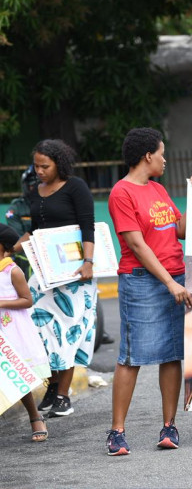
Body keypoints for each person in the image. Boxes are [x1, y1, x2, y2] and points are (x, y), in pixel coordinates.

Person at [105, 127, 192, 456]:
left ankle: (169, 426)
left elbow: (180, 230)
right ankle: (117, 432)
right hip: (144, 281)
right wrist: (169, 282)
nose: (165, 159)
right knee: (131, 357)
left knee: (172, 354)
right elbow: (136, 244)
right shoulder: (122, 192)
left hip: (173, 277)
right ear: (148, 155)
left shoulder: (159, 190)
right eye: (161, 153)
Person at [11, 139, 97, 418]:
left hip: (75, 273)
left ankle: (63, 395)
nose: (39, 171)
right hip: (45, 273)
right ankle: (52, 385)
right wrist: (13, 246)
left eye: (44, 166)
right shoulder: (37, 190)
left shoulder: (76, 187)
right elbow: (36, 229)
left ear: (59, 163)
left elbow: (87, 225)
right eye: (36, 166)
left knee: (68, 331)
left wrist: (88, 262)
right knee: (40, 330)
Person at [0, 224, 51, 442]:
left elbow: (27, 300)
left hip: (11, 331)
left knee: (18, 377)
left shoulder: (13, 270)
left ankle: (34, 416)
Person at [5, 165, 38, 278]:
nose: (35, 188)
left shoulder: (52, 204)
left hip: (50, 248)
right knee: (29, 259)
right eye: (32, 185)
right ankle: (30, 293)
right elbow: (17, 239)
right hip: (25, 252)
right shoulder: (16, 208)